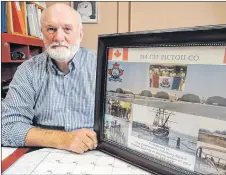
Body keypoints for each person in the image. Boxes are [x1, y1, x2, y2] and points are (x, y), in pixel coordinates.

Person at [1, 3, 97, 154]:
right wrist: (63, 139)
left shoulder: (101, 66)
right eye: (51, 29)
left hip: (95, 154)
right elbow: (7, 127)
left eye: (67, 29)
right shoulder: (28, 70)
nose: (58, 37)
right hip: (43, 154)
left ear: (80, 34)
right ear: (42, 33)